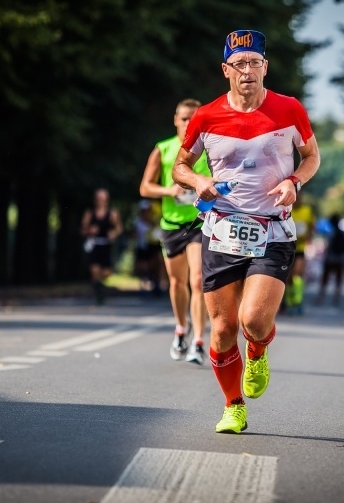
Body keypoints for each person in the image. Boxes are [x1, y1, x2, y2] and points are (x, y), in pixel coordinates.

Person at [172, 29, 321, 433]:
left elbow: (311, 156)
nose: (248, 71)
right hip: (222, 231)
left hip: (272, 231)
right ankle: (233, 405)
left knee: (253, 320)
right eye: (240, 64)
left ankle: (257, 350)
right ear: (226, 70)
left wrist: (295, 182)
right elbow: (180, 166)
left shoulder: (289, 109)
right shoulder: (206, 116)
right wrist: (196, 182)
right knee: (222, 329)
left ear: (265, 67)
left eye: (255, 63)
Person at [139, 98, 211, 365]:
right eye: (184, 118)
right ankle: (181, 329)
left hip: (200, 223)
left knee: (198, 280)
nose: (188, 123)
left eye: (194, 118)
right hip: (171, 225)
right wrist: (169, 190)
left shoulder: (210, 149)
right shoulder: (163, 149)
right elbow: (145, 187)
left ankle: (199, 342)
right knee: (178, 283)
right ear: (175, 120)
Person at [81, 188, 123, 305]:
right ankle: (99, 296)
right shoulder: (90, 214)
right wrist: (90, 230)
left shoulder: (112, 214)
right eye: (99, 199)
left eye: (104, 199)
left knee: (106, 273)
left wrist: (113, 234)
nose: (102, 201)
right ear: (95, 200)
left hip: (106, 245)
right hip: (94, 245)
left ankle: (100, 286)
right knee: (94, 271)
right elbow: (83, 230)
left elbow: (119, 228)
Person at [283, 190, 315, 315]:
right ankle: (289, 301)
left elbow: (312, 227)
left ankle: (298, 301)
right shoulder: (286, 209)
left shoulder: (307, 211)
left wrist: (308, 236)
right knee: (288, 277)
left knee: (298, 274)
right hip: (287, 248)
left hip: (300, 248)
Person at [314, 213, 344, 307]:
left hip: (330, 259)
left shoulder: (330, 233)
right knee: (338, 279)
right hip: (341, 259)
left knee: (325, 279)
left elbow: (328, 247)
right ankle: (336, 298)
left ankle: (320, 298)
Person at [131, 200, 164, 297]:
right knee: (143, 267)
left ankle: (156, 285)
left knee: (155, 265)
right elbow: (132, 233)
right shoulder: (137, 222)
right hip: (142, 247)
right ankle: (144, 285)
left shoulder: (155, 222)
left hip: (153, 247)